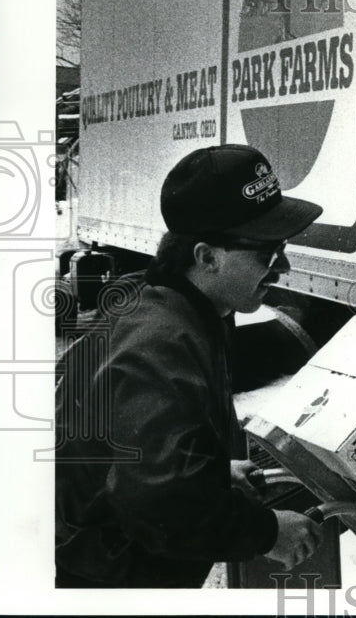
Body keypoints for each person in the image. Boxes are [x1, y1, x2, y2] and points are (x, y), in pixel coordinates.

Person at [56, 144, 327, 587]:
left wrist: (211, 472)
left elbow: (132, 445)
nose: (284, 267)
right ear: (206, 258)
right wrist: (267, 532)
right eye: (267, 254)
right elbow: (161, 506)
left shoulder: (187, 306)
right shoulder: (157, 346)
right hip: (113, 573)